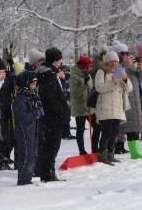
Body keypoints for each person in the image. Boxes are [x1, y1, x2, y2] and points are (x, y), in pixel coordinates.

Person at [35, 47, 70, 182]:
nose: (61, 62)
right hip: (53, 117)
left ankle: (48, 173)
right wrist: (60, 111)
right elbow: (48, 97)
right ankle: (48, 174)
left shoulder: (48, 73)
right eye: (60, 59)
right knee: (52, 146)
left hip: (51, 116)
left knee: (50, 145)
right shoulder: (48, 75)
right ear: (55, 60)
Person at [94, 51, 133, 165]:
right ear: (107, 62)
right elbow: (99, 87)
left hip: (117, 107)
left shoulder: (120, 72)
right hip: (105, 107)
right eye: (112, 61)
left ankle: (111, 154)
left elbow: (129, 88)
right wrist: (112, 82)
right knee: (106, 133)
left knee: (115, 133)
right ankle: (102, 154)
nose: (114, 64)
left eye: (116, 61)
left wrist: (125, 79)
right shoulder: (101, 72)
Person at [11, 71, 43, 186]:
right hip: (24, 131)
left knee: (32, 154)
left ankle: (27, 177)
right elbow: (22, 117)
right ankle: (24, 180)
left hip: (32, 130)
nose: (34, 87)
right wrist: (36, 113)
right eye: (32, 84)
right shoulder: (20, 98)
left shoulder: (32, 96)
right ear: (25, 83)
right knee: (26, 155)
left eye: (35, 84)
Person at [119, 47, 142, 159]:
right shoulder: (119, 66)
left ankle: (135, 151)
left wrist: (141, 69)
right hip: (125, 99)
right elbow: (117, 75)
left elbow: (141, 79)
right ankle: (130, 150)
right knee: (128, 125)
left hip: (135, 99)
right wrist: (126, 65)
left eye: (128, 54)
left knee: (135, 125)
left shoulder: (132, 67)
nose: (126, 56)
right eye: (124, 54)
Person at [70, 55, 94, 155]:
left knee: (96, 126)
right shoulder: (74, 77)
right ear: (83, 66)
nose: (90, 68)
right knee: (80, 129)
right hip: (80, 107)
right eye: (89, 66)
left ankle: (95, 148)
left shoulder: (88, 75)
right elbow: (75, 94)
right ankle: (82, 150)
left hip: (89, 106)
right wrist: (84, 85)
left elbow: (91, 88)